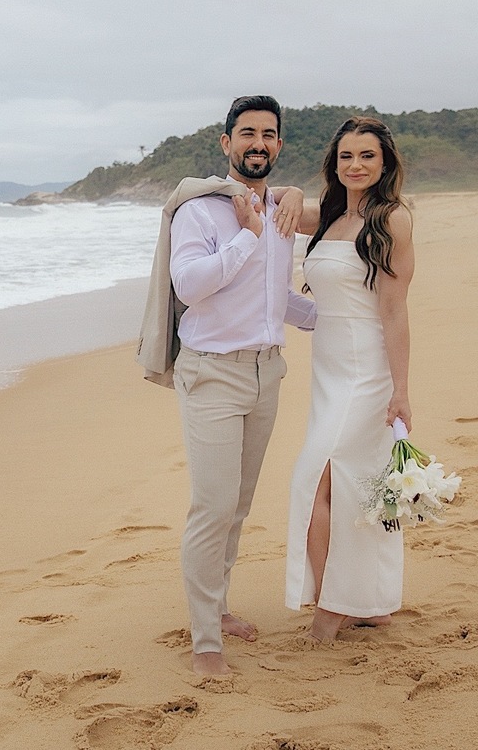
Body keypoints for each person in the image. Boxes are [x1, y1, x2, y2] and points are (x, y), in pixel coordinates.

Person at [140, 95, 316, 676]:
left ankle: (218, 606)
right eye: (247, 133)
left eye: (268, 134)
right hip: (212, 373)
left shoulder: (283, 210)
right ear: (227, 142)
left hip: (267, 371)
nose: (257, 144)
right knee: (212, 507)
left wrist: (334, 317)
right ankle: (205, 641)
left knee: (237, 505)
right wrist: (248, 236)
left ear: (279, 144)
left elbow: (274, 297)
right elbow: (190, 286)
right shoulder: (200, 211)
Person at [283, 116, 415, 642]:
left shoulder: (392, 220)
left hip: (367, 372)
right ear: (334, 164)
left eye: (367, 156)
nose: (355, 165)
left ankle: (330, 607)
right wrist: (294, 191)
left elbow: (395, 311)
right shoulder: (330, 215)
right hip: (328, 368)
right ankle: (368, 602)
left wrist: (401, 390)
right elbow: (270, 207)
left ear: (384, 163)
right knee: (356, 488)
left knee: (315, 481)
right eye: (346, 156)